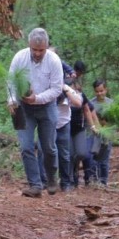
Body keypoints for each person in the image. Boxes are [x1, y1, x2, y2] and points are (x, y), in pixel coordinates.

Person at [7, 28, 64, 198]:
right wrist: (11, 100)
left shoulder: (54, 61)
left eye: (41, 50)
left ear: (47, 47)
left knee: (48, 147)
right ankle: (35, 185)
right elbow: (11, 80)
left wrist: (37, 98)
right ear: (29, 46)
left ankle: (51, 179)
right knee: (26, 147)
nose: (38, 53)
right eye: (35, 49)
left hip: (47, 106)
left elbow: (57, 89)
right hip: (24, 108)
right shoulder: (20, 57)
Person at [37, 63, 82, 192]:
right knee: (42, 151)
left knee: (64, 155)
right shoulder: (43, 87)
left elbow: (78, 103)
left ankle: (66, 183)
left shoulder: (66, 88)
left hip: (63, 124)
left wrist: (65, 89)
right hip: (46, 125)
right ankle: (44, 181)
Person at [69, 61, 96, 187]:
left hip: (79, 128)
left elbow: (87, 109)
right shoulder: (64, 96)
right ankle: (70, 178)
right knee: (68, 154)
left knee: (81, 153)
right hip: (66, 128)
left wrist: (93, 126)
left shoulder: (81, 96)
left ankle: (74, 168)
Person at [90, 78, 113, 186]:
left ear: (106, 90)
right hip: (94, 135)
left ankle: (103, 181)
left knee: (104, 159)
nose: (99, 93)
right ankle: (94, 180)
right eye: (97, 91)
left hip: (107, 135)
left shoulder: (111, 104)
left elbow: (116, 121)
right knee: (94, 157)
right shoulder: (91, 103)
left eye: (101, 91)